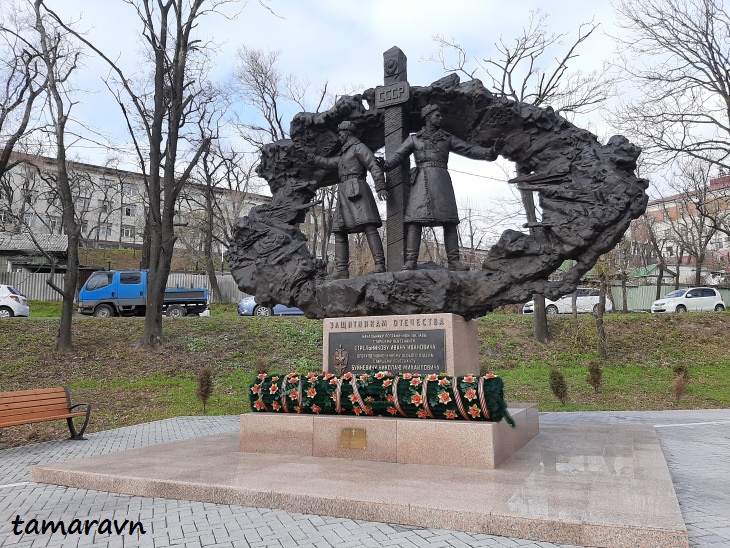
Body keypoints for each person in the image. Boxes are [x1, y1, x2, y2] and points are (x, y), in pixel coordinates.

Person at [383, 104, 500, 271]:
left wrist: (489, 153)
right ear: (428, 117)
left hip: (441, 181)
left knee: (450, 221)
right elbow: (398, 156)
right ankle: (411, 260)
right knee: (415, 221)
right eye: (437, 115)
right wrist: (385, 164)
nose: (441, 118)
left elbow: (468, 149)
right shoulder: (414, 139)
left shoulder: (447, 138)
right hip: (420, 182)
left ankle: (454, 261)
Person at [309, 121, 388, 279]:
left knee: (368, 227)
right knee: (339, 230)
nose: (340, 136)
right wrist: (314, 158)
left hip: (358, 189)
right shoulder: (344, 153)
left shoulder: (359, 147)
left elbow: (373, 164)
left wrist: (380, 186)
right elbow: (330, 163)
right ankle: (341, 270)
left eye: (341, 133)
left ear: (348, 133)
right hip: (344, 191)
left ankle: (380, 265)